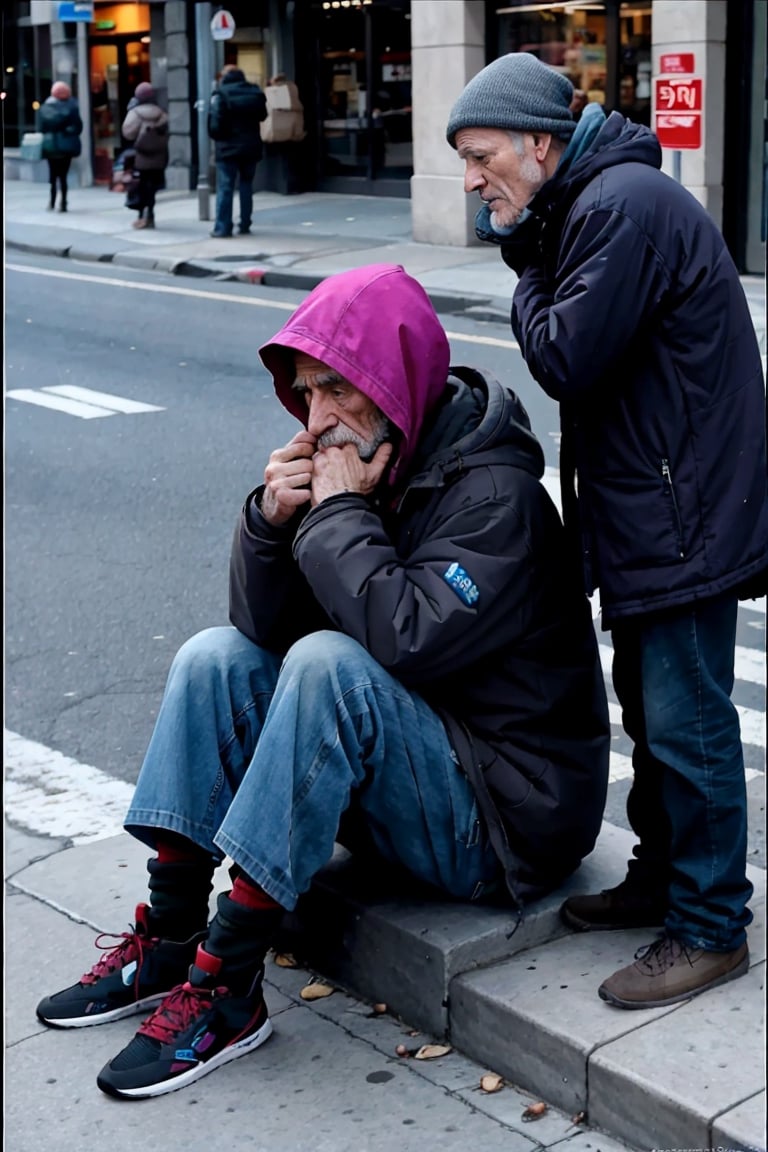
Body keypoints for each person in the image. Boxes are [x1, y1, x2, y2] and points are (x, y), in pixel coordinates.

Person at [36, 263, 610, 1100]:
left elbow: (404, 642)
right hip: (423, 774)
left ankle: (227, 984)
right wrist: (272, 526)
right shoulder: (372, 467)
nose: (320, 419)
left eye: (340, 389)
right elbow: (261, 631)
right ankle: (167, 937)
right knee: (213, 657)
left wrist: (338, 517)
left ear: (396, 384)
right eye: (307, 393)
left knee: (330, 667)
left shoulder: (500, 498)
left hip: (505, 822)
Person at [446, 52, 768, 1010]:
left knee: (688, 721)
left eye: (480, 154)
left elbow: (565, 357)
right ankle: (666, 881)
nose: (471, 179)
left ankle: (711, 926)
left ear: (541, 144)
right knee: (650, 708)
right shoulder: (596, 202)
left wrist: (521, 264)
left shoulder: (615, 207)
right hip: (657, 505)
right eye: (463, 160)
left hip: (681, 511)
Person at [208, 64, 267, 237]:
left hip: (227, 149)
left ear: (225, 77)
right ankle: (245, 223)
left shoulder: (221, 94)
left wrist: (221, 137)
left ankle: (223, 227)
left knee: (225, 187)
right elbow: (263, 115)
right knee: (246, 185)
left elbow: (214, 126)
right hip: (250, 146)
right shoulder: (255, 92)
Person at [121, 82, 169, 230]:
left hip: (141, 157)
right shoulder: (162, 113)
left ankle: (142, 216)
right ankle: (151, 214)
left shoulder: (135, 113)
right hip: (159, 157)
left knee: (141, 186)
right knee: (152, 187)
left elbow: (127, 133)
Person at [39, 80, 83, 213]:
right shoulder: (73, 106)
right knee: (63, 176)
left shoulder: (47, 107)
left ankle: (52, 202)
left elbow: (41, 127)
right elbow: (79, 127)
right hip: (66, 146)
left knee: (53, 176)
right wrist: (69, 131)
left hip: (51, 146)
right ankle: (63, 202)